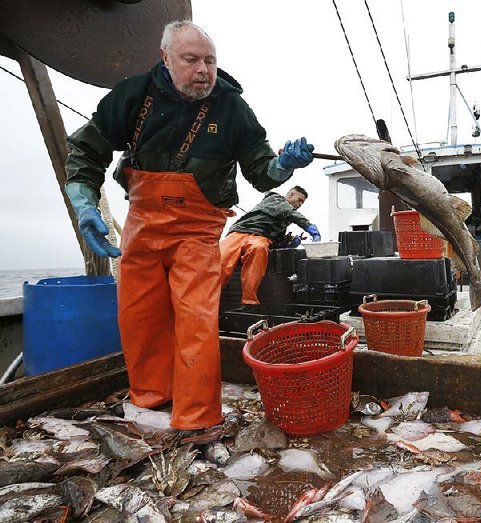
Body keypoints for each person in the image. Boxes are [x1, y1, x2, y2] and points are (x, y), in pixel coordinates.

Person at [63, 20, 314, 432]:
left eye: (210, 61)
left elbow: (262, 172)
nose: (203, 70)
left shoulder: (232, 108)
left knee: (195, 319)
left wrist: (284, 164)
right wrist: (84, 203)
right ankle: (150, 401)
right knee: (138, 316)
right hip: (141, 224)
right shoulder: (131, 95)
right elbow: (86, 149)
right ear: (166, 58)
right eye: (191, 59)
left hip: (198, 230)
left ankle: (197, 418)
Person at [220, 186, 320, 306]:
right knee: (220, 261)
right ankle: (208, 297)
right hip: (239, 232)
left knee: (259, 249)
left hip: (260, 238)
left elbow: (275, 244)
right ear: (291, 195)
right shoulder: (275, 199)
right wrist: (308, 226)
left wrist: (291, 242)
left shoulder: (283, 222)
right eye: (299, 200)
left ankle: (249, 302)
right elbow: (289, 212)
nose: (300, 204)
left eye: (302, 203)